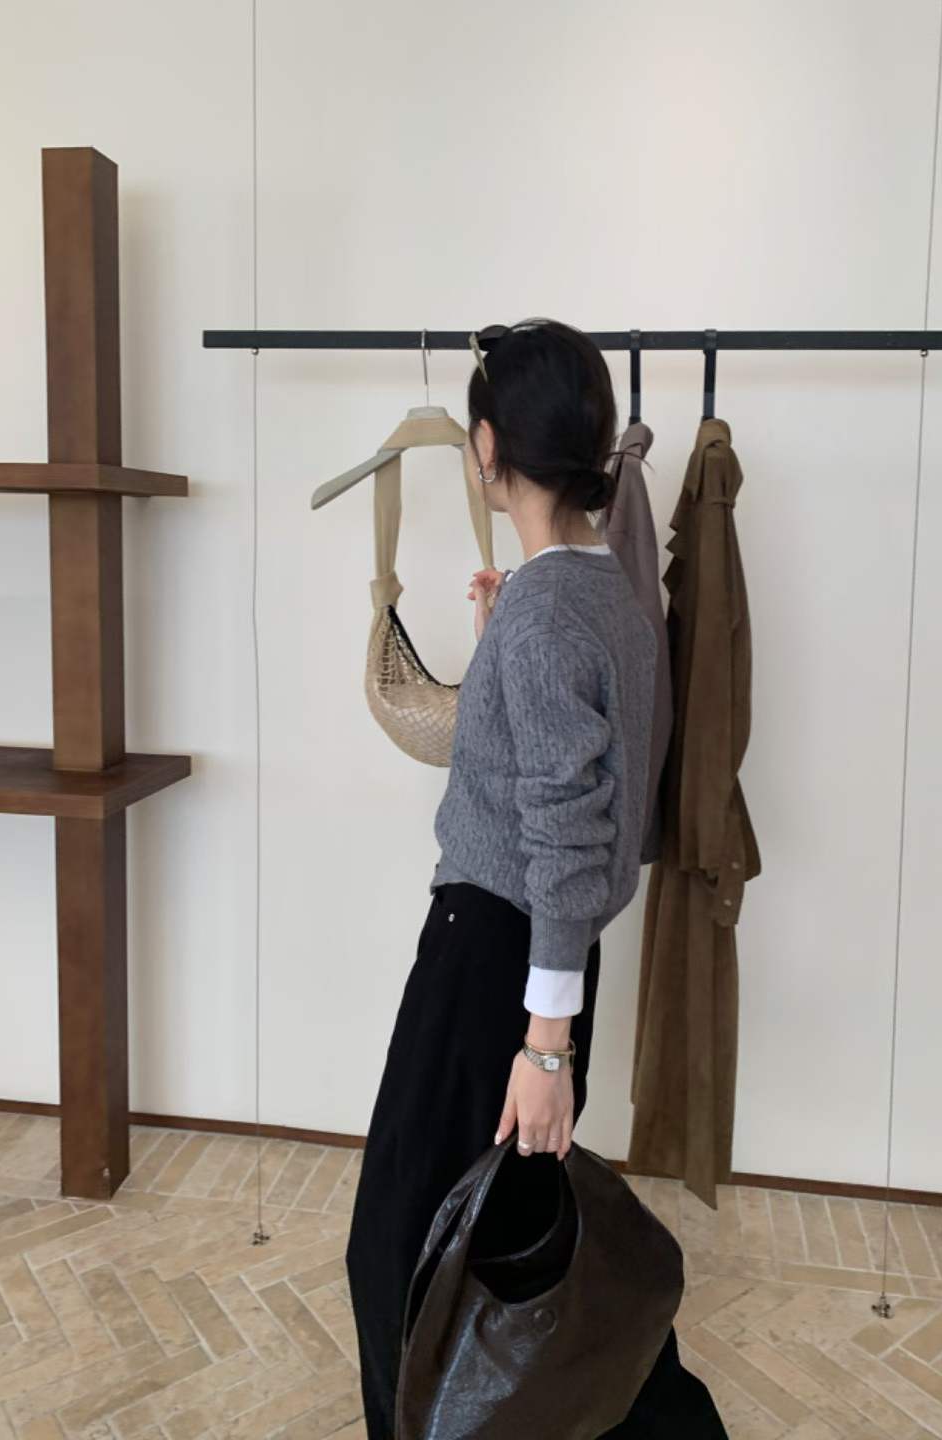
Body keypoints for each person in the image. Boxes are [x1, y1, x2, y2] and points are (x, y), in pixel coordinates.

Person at [345, 318, 728, 1438]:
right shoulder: (604, 592)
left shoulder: (549, 609)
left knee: (398, 1250)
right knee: (515, 1239)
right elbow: (571, 767)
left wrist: (543, 1048)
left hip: (496, 959)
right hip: (549, 959)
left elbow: (565, 827)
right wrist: (499, 629)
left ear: (486, 446)